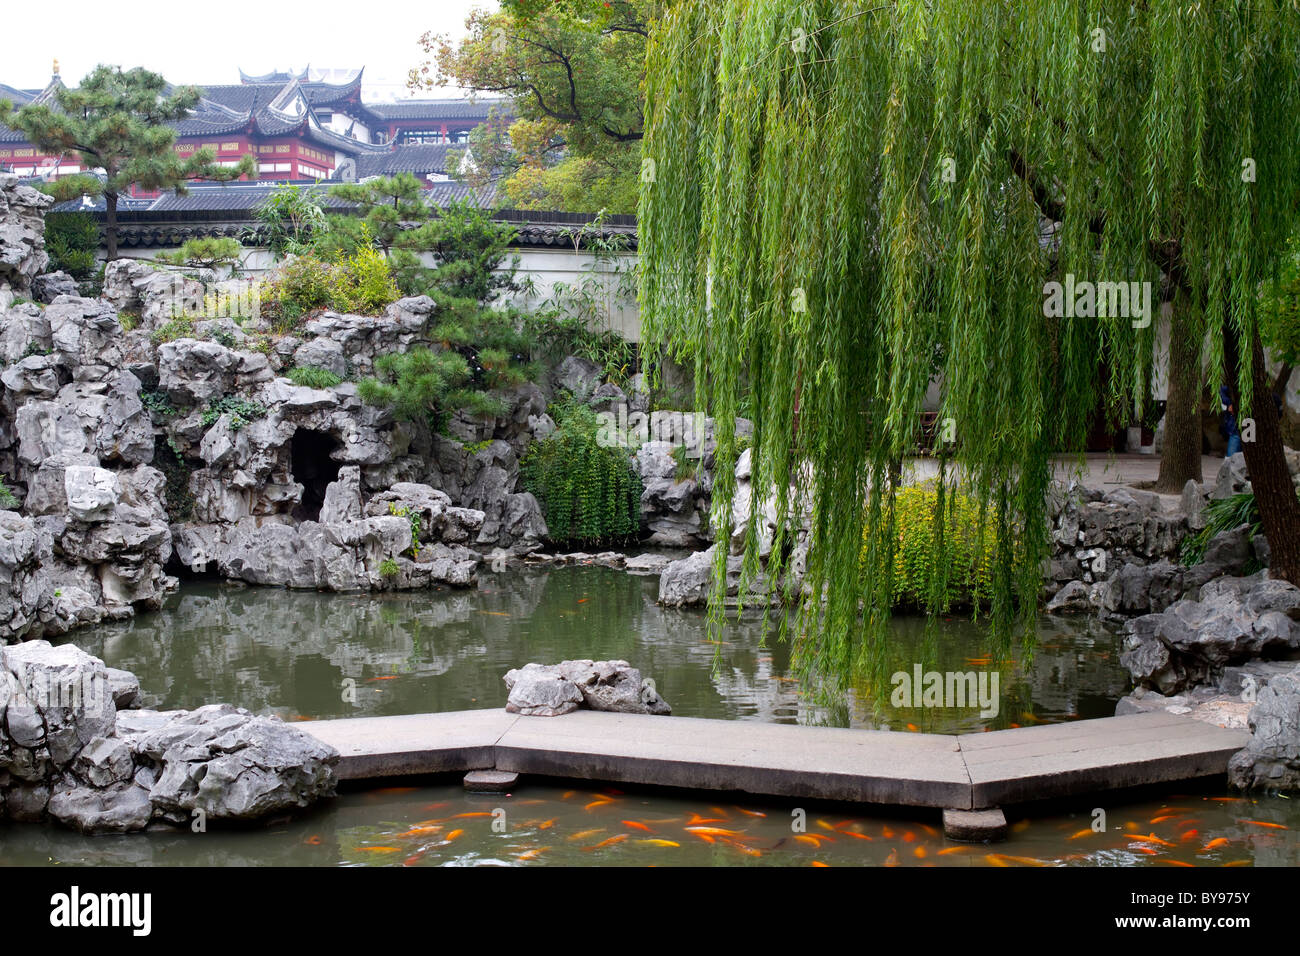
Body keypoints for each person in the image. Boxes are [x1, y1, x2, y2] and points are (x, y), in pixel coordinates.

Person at [1220, 384, 1241, 457]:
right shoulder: (1226, 389)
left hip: (1246, 429)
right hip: (1235, 429)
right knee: (1231, 460)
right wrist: (1229, 404)